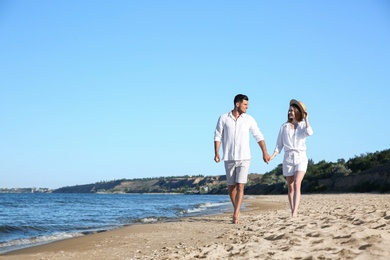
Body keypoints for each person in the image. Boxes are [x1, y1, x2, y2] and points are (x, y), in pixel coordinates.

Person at [214, 94, 270, 224]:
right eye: (245, 105)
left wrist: (264, 152)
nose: (247, 107)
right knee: (231, 188)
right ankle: (237, 210)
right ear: (237, 104)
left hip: (244, 157)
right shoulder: (223, 118)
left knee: (240, 185)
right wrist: (216, 152)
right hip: (228, 157)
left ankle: (235, 214)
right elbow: (217, 135)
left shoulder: (249, 119)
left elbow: (258, 135)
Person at [270, 99, 313, 218]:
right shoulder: (283, 127)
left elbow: (310, 132)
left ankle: (295, 212)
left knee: (297, 184)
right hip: (288, 158)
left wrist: (306, 119)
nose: (290, 112)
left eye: (293, 111)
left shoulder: (303, 126)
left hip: (301, 157)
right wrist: (272, 156)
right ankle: (292, 209)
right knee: (290, 186)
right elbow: (279, 145)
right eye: (289, 110)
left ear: (298, 112)